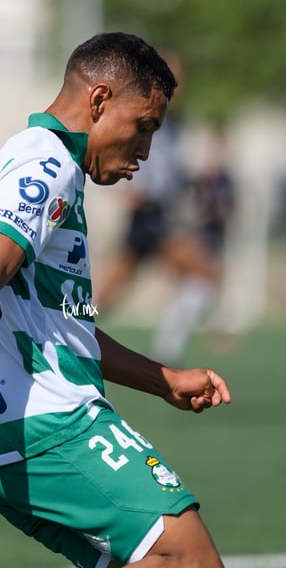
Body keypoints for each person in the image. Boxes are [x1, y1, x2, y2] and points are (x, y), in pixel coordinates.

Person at [0, 32, 231, 568]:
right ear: (98, 101)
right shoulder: (46, 166)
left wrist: (164, 380)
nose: (145, 151)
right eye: (143, 127)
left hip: (16, 442)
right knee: (190, 557)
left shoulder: (51, 167)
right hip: (51, 427)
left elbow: (64, 330)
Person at [95, 53, 234, 367]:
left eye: (179, 79)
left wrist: (193, 185)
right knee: (204, 273)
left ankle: (166, 348)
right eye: (170, 76)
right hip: (148, 216)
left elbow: (171, 170)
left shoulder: (175, 123)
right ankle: (66, 323)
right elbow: (113, 151)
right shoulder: (140, 115)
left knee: (197, 276)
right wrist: (122, 190)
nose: (176, 85)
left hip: (159, 215)